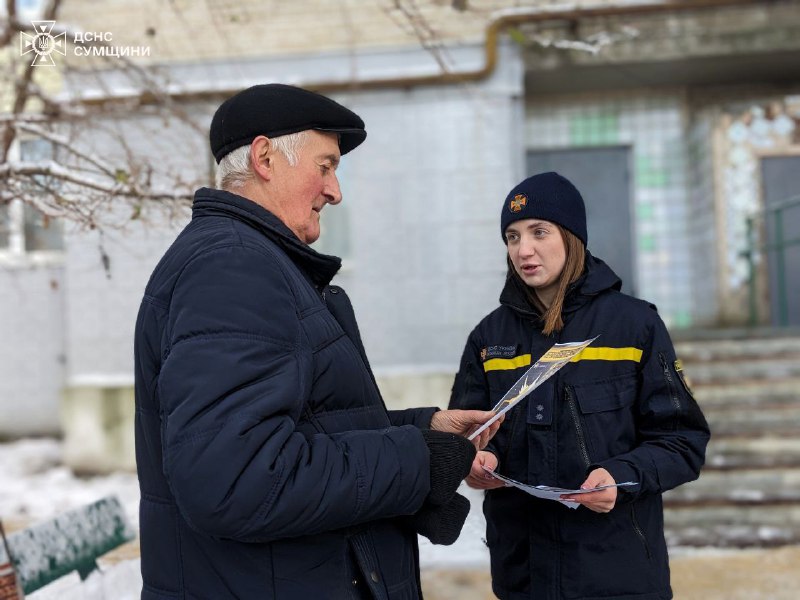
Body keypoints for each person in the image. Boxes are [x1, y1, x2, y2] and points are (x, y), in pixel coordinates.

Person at [134, 83, 501, 600]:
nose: (335, 191)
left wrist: (426, 428)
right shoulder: (233, 267)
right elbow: (235, 480)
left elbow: (301, 426)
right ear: (265, 158)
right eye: (325, 166)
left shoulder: (251, 260)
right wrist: (419, 458)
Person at [448, 172, 710, 600]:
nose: (523, 250)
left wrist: (622, 476)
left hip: (617, 575)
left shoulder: (634, 326)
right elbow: (468, 436)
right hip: (523, 576)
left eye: (539, 232)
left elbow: (683, 441)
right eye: (512, 237)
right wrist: (477, 462)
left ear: (571, 237)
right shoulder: (488, 339)